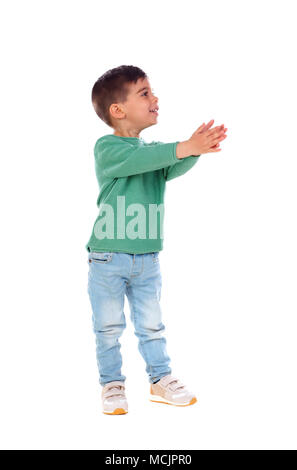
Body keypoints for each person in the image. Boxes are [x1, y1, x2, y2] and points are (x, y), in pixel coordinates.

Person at [86, 65, 227, 415]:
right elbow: (146, 158)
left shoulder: (151, 151)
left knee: (151, 324)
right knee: (108, 326)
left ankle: (159, 379)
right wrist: (183, 146)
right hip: (107, 258)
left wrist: (195, 149)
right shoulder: (108, 148)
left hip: (147, 258)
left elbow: (170, 164)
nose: (155, 98)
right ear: (118, 110)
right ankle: (112, 384)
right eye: (145, 93)